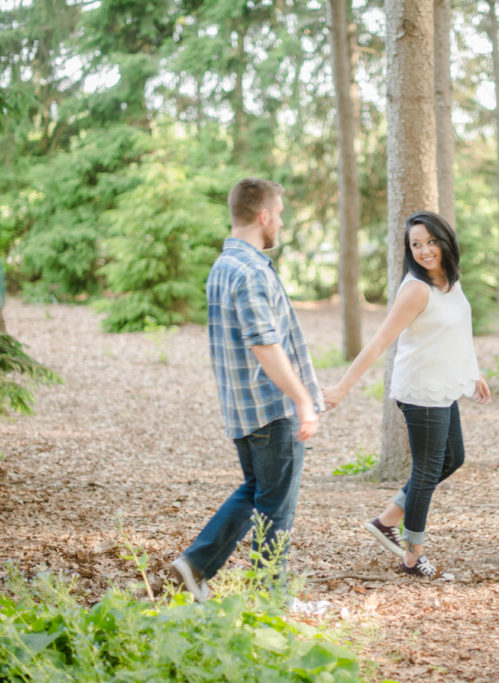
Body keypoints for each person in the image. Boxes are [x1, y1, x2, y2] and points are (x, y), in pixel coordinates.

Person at [169, 177, 323, 602]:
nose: (282, 225)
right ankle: (270, 599)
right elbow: (264, 344)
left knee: (257, 494)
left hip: (242, 410)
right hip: (272, 409)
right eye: (281, 216)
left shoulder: (223, 267)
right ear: (264, 216)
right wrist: (302, 398)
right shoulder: (251, 270)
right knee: (277, 509)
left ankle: (196, 564)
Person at [323, 211, 490, 579]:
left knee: (453, 458)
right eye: (416, 244)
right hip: (421, 391)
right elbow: (380, 342)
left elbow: (458, 332)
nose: (424, 250)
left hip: (444, 387)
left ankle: (385, 522)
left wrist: (473, 371)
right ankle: (413, 557)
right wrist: (341, 388)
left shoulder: (449, 281)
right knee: (428, 471)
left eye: (430, 242)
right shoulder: (416, 289)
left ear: (445, 242)